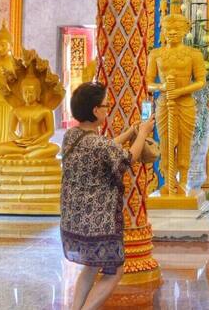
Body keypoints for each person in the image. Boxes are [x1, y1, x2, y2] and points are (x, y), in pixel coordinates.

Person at [60, 83, 155, 310]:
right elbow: (127, 159)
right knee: (114, 271)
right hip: (98, 223)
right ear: (95, 111)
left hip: (74, 220)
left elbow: (107, 149)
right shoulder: (99, 144)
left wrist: (130, 133)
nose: (107, 109)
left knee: (91, 267)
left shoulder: (71, 136)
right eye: (105, 106)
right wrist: (142, 133)